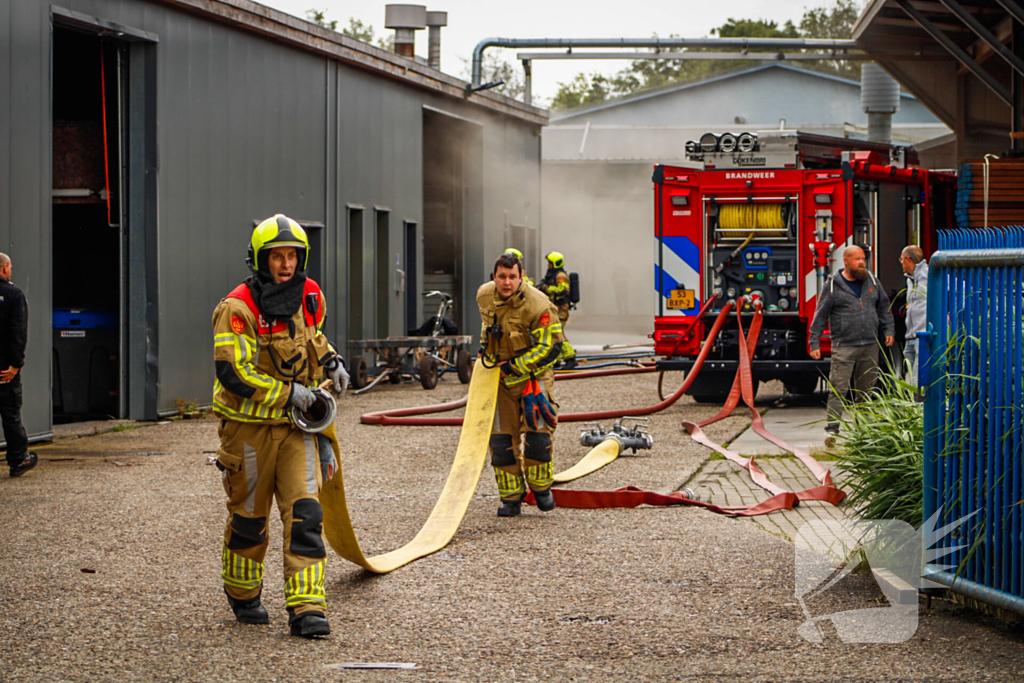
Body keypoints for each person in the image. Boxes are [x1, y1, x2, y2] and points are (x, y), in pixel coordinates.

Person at [211, 215, 349, 638]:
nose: (286, 264)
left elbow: (313, 337)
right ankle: (243, 593)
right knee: (249, 519)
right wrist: (290, 394)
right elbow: (233, 373)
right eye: (277, 256)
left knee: (306, 513)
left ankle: (307, 607)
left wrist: (332, 362)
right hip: (247, 431)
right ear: (261, 259)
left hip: (297, 430)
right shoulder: (237, 309)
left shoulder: (309, 296)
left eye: (292, 255)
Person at [478, 252, 564, 517]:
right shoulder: (483, 295)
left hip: (533, 380)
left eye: (512, 277)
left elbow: (552, 347)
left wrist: (515, 366)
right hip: (500, 381)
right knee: (501, 442)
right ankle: (511, 498)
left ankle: (541, 490)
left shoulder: (539, 305)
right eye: (501, 277)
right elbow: (487, 328)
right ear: (494, 277)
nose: (507, 283)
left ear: (521, 276)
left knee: (538, 438)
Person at [808, 245, 894, 439]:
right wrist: (814, 342)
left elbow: (884, 307)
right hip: (844, 346)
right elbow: (820, 315)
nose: (862, 262)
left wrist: (889, 330)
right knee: (839, 388)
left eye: (863, 259)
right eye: (857, 259)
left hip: (870, 345)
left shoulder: (871, 280)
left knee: (866, 390)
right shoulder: (832, 285)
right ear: (846, 261)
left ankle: (862, 430)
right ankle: (832, 430)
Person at [0, 253, 36, 478]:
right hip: (4, 368)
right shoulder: (14, 295)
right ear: (4, 269)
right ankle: (18, 460)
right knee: (10, 413)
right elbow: (18, 332)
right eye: (10, 267)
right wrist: (16, 364)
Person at [538, 251, 577, 369]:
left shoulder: (560, 276)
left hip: (561, 309)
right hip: (555, 309)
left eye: (550, 264)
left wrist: (546, 288)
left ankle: (570, 358)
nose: (548, 266)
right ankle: (556, 360)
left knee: (558, 333)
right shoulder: (553, 276)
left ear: (555, 264)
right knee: (553, 334)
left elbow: (562, 291)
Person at [901, 245, 928, 389]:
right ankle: (917, 409)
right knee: (912, 382)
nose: (901, 263)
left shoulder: (929, 274)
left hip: (922, 337)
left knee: (919, 383)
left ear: (908, 259)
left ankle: (921, 409)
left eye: (901, 259)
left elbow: (955, 287)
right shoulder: (910, 279)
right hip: (910, 338)